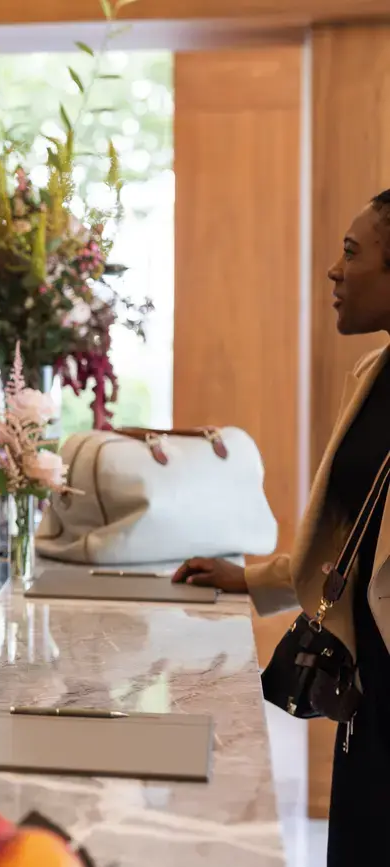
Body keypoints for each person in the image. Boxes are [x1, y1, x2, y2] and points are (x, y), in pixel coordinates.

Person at [171, 189, 390, 865]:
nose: (334, 270)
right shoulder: (377, 371)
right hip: (368, 688)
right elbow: (350, 535)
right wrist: (250, 577)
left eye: (352, 253)